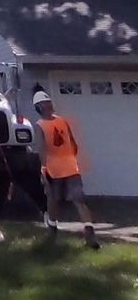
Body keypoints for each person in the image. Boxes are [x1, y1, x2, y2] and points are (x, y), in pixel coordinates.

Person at [32, 89, 100, 249]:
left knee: (54, 200)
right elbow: (73, 145)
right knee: (77, 201)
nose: (49, 105)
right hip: (69, 167)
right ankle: (88, 233)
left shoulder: (40, 125)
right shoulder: (62, 121)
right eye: (48, 103)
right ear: (42, 106)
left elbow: (42, 148)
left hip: (54, 168)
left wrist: (43, 169)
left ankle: (53, 230)